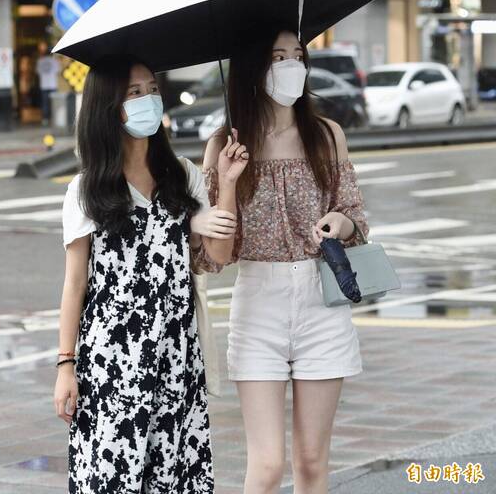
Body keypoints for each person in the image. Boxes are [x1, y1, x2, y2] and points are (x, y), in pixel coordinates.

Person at [54, 55, 248, 493]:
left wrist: (229, 183)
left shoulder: (181, 175)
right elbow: (75, 284)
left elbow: (218, 253)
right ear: (109, 108)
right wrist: (66, 366)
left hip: (175, 355)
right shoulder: (87, 189)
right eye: (134, 93)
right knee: (113, 478)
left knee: (172, 475)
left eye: (152, 90)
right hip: (112, 359)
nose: (149, 101)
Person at [194, 29, 368, 494]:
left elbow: (355, 220)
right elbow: (216, 256)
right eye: (278, 56)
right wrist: (228, 182)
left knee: (312, 462)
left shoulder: (327, 135)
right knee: (268, 465)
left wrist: (337, 222)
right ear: (255, 68)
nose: (292, 65)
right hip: (258, 304)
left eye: (298, 55)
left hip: (321, 301)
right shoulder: (223, 145)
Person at [35, 41, 60, 126]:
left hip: (44, 85)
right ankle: (53, 119)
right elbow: (58, 71)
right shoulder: (55, 61)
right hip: (53, 84)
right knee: (53, 103)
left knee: (45, 103)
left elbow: (38, 72)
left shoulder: (40, 61)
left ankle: (45, 120)